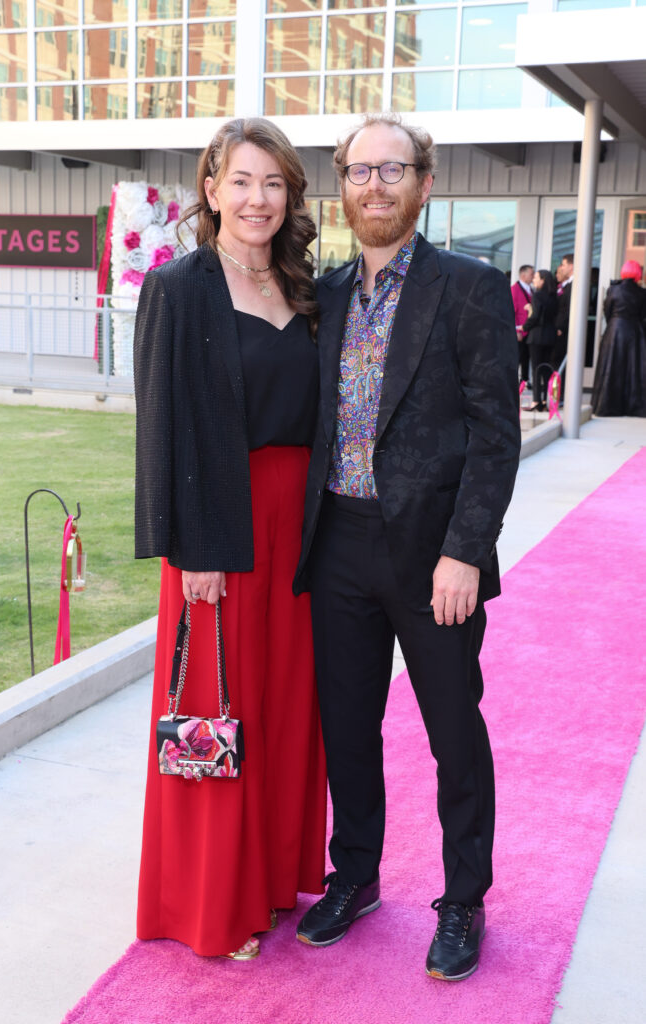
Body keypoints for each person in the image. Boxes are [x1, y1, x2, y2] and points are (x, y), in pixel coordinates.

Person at [293, 113, 521, 982]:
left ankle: (462, 898)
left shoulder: (468, 285)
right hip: (340, 544)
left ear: (424, 185)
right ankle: (355, 876)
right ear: (342, 186)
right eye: (359, 171)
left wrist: (465, 550)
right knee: (347, 727)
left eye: (393, 170)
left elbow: (494, 432)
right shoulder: (328, 292)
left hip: (434, 558)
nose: (374, 185)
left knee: (452, 732)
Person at [133, 118, 327, 961]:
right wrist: (191, 549)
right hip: (222, 529)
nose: (257, 199)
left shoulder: (306, 285)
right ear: (209, 190)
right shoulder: (179, 287)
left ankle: (276, 879)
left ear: (290, 195)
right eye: (240, 181)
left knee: (287, 708)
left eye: (273, 183)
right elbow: (159, 426)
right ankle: (216, 905)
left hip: (303, 533)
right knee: (218, 714)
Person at [592, 259, 646, 417]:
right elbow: (643, 315)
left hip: (615, 329)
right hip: (635, 331)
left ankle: (608, 406)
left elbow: (607, 310)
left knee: (611, 368)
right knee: (633, 369)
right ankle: (632, 406)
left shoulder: (613, 290)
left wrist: (613, 323)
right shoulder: (642, 292)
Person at [522, 269, 558, 413]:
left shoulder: (537, 295)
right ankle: (546, 399)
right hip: (550, 336)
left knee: (537, 370)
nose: (534, 280)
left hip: (537, 336)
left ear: (543, 280)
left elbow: (535, 316)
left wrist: (524, 326)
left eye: (536, 277)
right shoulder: (554, 297)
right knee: (547, 370)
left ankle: (536, 401)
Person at [511, 263, 534, 384]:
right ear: (523, 275)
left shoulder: (530, 289)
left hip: (529, 330)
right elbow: (512, 311)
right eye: (531, 274)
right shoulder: (514, 290)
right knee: (519, 357)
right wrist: (517, 331)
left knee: (526, 358)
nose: (533, 276)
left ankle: (525, 380)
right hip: (521, 331)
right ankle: (516, 382)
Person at [553, 252, 574, 370]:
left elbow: (568, 309)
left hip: (565, 331)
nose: (561, 268)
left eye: (564, 264)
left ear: (571, 266)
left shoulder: (575, 285)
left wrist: (560, 327)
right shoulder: (568, 285)